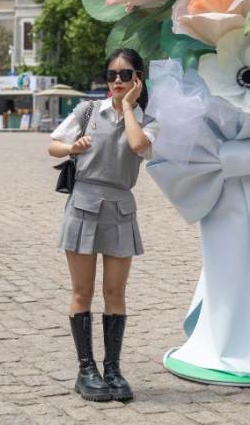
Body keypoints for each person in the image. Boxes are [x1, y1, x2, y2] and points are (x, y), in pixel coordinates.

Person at [47, 48, 158, 403]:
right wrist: (71, 147)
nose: (117, 81)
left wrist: (128, 108)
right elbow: (53, 145)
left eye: (125, 75)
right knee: (82, 292)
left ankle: (112, 369)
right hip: (83, 204)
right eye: (112, 75)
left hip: (120, 208)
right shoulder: (88, 110)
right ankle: (86, 371)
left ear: (138, 78)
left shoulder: (148, 120)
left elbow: (138, 145)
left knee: (115, 293)